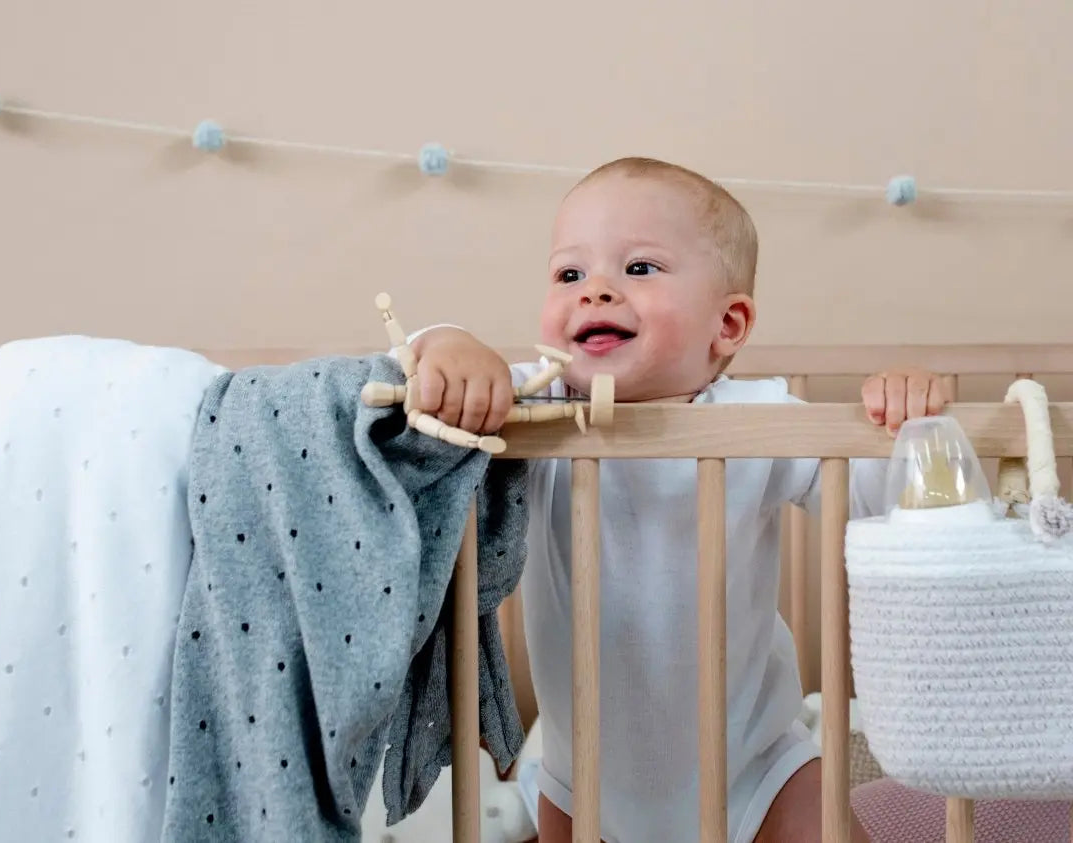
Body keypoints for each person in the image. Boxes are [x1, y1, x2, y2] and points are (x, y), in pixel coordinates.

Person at [402, 156, 947, 842]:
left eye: (639, 268)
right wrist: (449, 346)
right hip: (584, 782)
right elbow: (409, 373)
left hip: (759, 768)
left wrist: (909, 426)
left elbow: (880, 505)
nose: (595, 291)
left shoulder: (759, 418)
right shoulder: (530, 405)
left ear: (727, 325)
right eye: (570, 274)